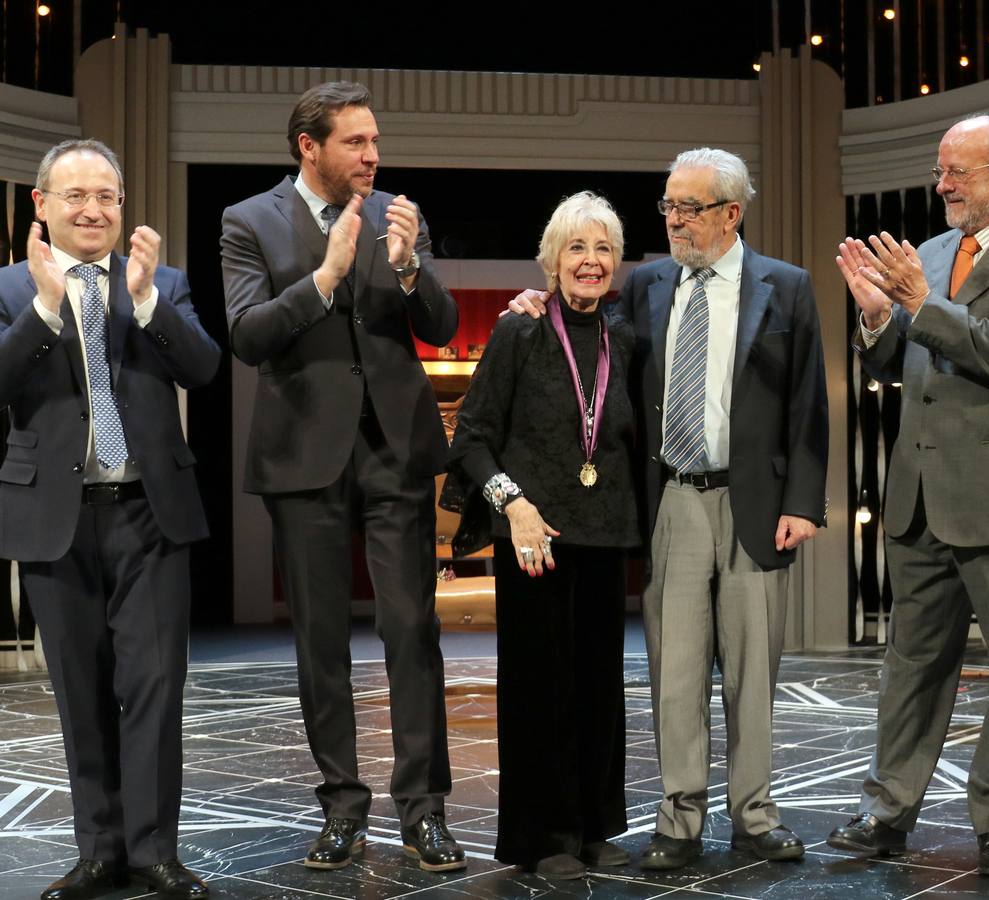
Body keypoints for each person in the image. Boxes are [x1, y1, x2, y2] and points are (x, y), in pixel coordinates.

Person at [508, 148, 828, 871]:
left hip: (757, 505)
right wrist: (536, 304)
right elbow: (582, 341)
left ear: (730, 214)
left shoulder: (786, 286)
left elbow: (808, 402)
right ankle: (678, 820)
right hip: (672, 504)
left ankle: (755, 815)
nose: (673, 220)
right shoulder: (648, 285)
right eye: (668, 206)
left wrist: (804, 502)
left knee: (752, 674)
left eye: (687, 207)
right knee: (674, 672)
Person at [219, 81, 465, 873]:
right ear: (309, 147)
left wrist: (404, 269)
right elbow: (248, 336)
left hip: (392, 450)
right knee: (320, 643)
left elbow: (441, 324)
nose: (372, 155)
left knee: (410, 631)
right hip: (304, 458)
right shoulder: (248, 221)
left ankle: (423, 811)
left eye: (375, 141)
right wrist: (324, 278)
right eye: (355, 143)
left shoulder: (399, 211)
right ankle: (342, 810)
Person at [826, 113, 989, 877]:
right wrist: (876, 319)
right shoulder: (928, 255)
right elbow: (895, 368)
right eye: (940, 170)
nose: (941, 185)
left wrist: (915, 303)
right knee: (911, 668)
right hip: (919, 496)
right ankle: (886, 810)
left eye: (956, 171)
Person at [0, 139, 219, 899]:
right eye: (77, 196)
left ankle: (155, 849)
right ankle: (98, 850)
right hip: (54, 522)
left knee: (155, 687)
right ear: (42, 205)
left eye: (109, 197)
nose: (94, 209)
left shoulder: (160, 282)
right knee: (79, 692)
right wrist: (44, 309)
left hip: (149, 516)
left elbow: (204, 367)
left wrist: (151, 303)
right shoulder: (7, 288)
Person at [444, 191, 639, 880]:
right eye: (577, 248)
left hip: (604, 531)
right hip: (534, 538)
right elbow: (471, 439)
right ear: (550, 261)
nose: (590, 261)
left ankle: (593, 826)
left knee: (598, 689)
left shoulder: (627, 336)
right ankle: (542, 836)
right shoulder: (519, 331)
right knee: (539, 690)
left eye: (603, 248)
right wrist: (513, 506)